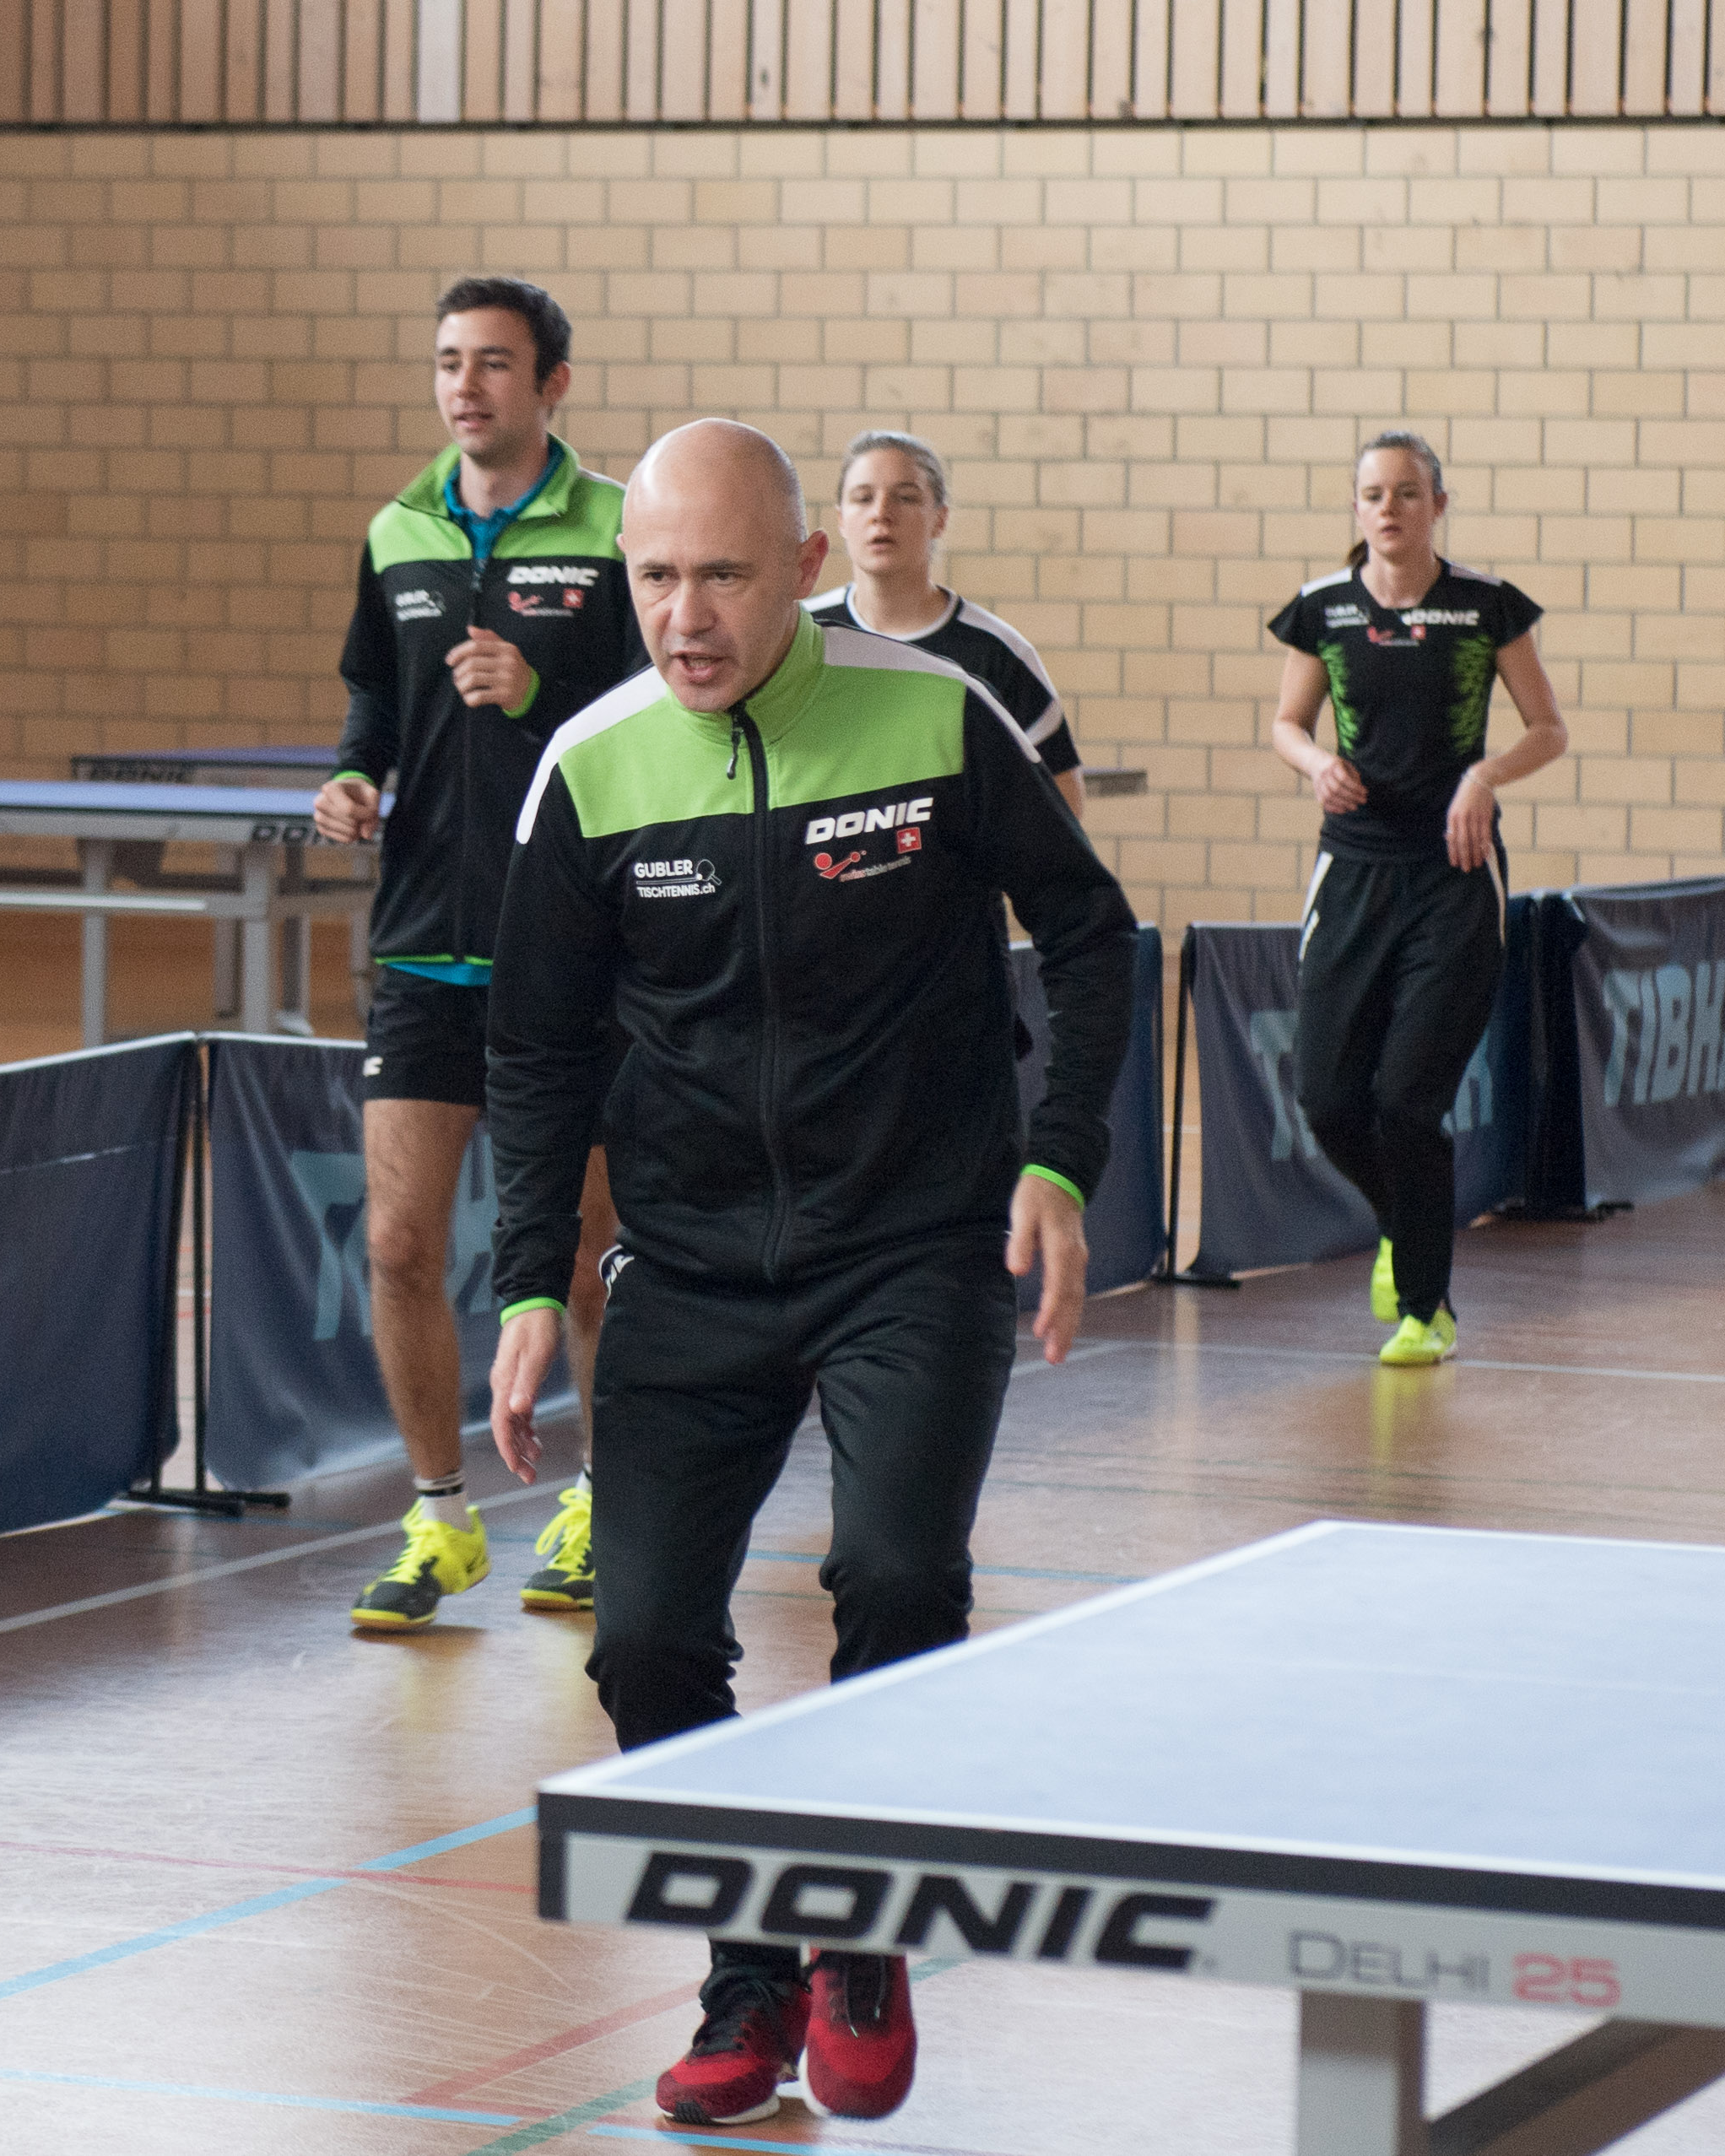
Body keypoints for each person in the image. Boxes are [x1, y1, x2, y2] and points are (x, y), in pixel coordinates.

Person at [482, 421, 1133, 2128]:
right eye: (653, 578)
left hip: (914, 1239)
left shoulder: (938, 718)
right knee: (642, 1640)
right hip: (690, 1263)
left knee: (898, 1576)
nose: (684, 615)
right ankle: (754, 1966)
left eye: (720, 575)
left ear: (800, 568)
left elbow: (1090, 935)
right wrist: (531, 1278)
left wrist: (1060, 1160)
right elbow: (538, 1047)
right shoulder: (592, 768)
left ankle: (860, 1913)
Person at [311, 277, 634, 1629]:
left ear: (550, 383)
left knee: (586, 1252)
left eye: (493, 363)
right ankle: (439, 1517)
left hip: (569, 950)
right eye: (449, 361)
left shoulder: (617, 528)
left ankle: (604, 1504)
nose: (464, 385)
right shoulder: (397, 528)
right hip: (421, 948)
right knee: (397, 1242)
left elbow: (661, 708)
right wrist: (351, 776)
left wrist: (542, 693)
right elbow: (372, 695)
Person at [1264, 430, 1566, 1366]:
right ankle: (1404, 1224)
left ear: (1438, 503)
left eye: (1406, 492)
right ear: (1356, 508)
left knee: (1405, 1100)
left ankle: (1426, 1307)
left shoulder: (1485, 606)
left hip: (1454, 875)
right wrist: (1317, 764)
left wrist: (1484, 776)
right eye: (1372, 494)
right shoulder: (1323, 607)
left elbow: (1548, 729)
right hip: (1353, 871)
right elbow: (1286, 723)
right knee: (1328, 1099)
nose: (1388, 508)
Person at [804, 430, 1090, 824]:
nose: (881, 512)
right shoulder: (801, 634)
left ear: (940, 518)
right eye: (863, 498)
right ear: (840, 518)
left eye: (906, 497)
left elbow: (1063, 802)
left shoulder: (996, 653)